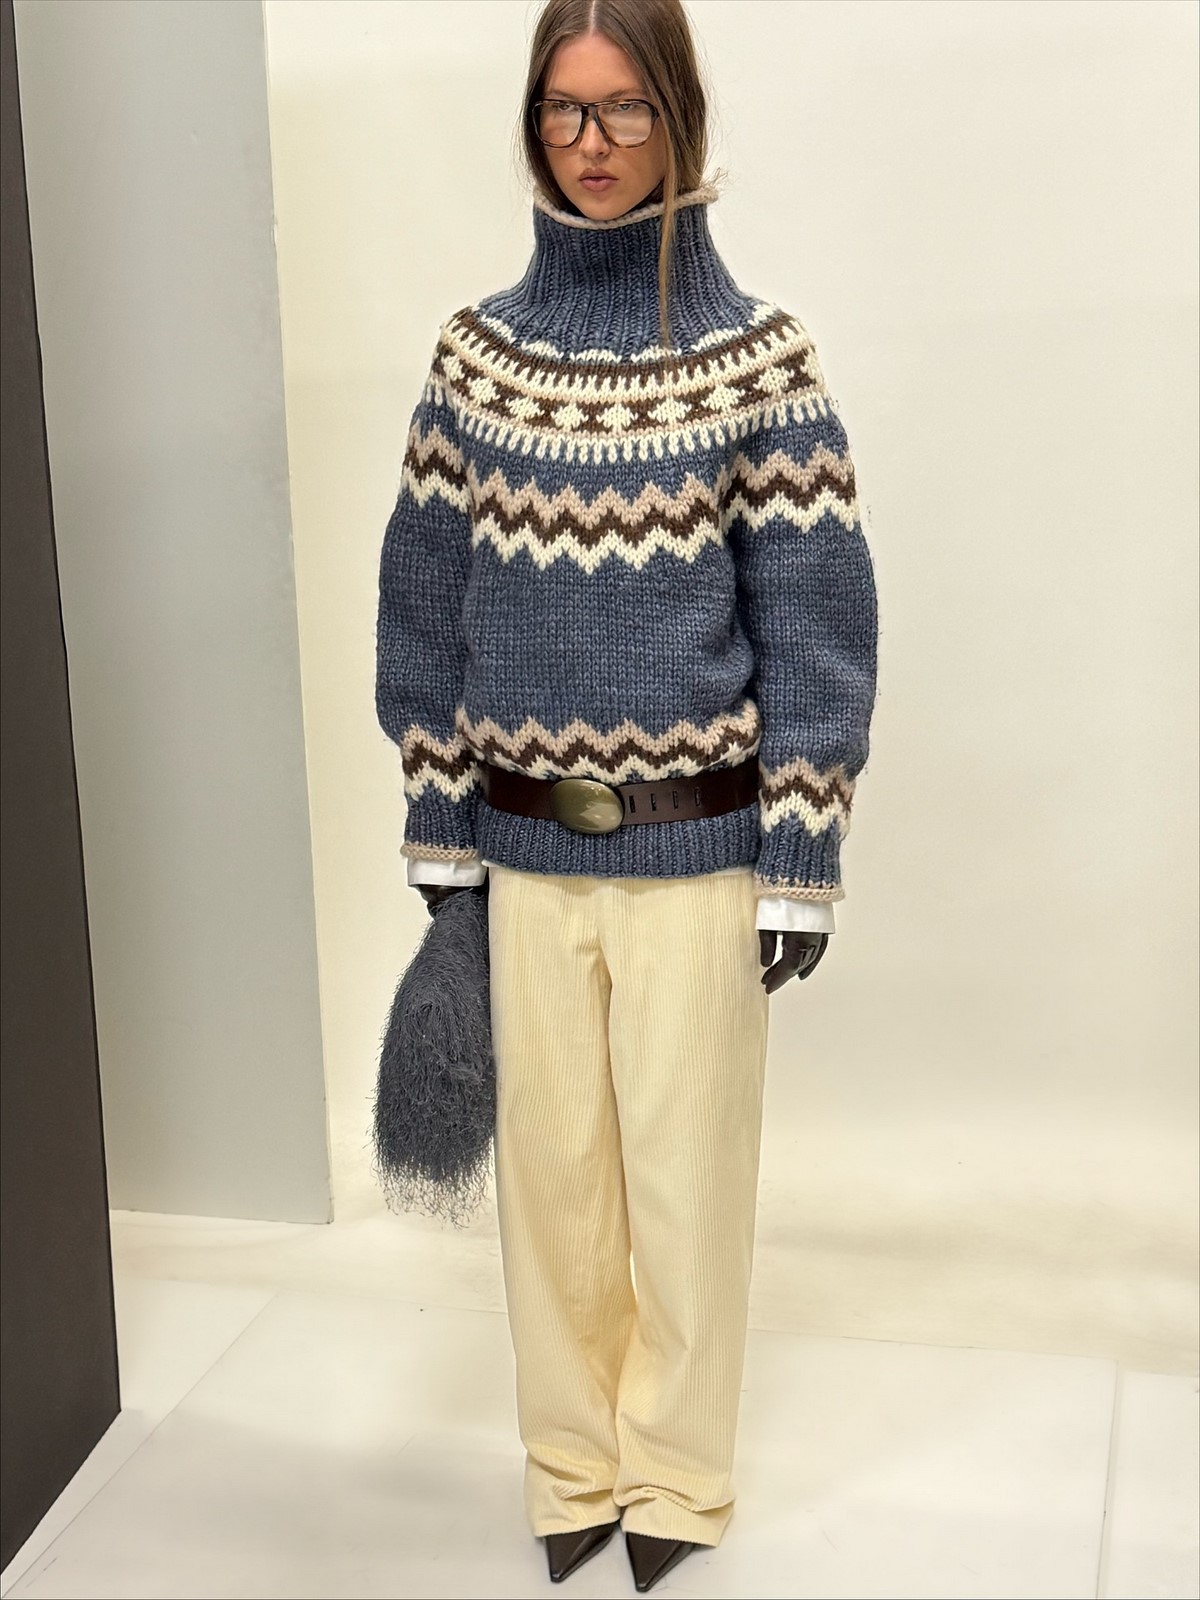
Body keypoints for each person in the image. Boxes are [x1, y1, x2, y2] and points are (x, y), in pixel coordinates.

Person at [374, 0, 879, 1589]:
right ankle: (570, 1465)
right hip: (522, 852)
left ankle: (673, 1477)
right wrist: (442, 829)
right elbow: (422, 607)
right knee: (552, 1183)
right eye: (563, 111)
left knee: (685, 1179)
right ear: (533, 120)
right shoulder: (475, 358)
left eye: (625, 110)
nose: (591, 146)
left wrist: (800, 851)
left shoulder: (761, 362)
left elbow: (817, 618)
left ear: (681, 117)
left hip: (700, 856)